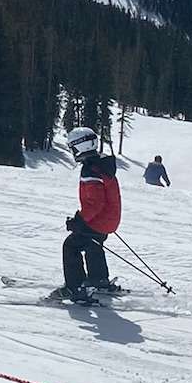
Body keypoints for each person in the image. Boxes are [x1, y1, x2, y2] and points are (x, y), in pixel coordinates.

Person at [60, 127, 124, 302]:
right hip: (110, 219)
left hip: (99, 219)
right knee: (92, 244)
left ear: (82, 146)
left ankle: (75, 288)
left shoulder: (90, 170)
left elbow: (94, 204)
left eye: (73, 148)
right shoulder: (102, 164)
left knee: (71, 245)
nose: (73, 152)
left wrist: (79, 220)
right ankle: (99, 280)